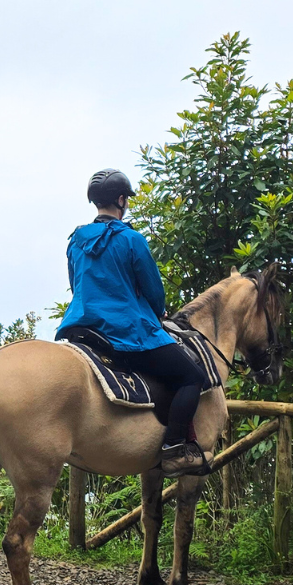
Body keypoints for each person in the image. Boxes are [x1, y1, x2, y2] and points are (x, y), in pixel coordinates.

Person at [56, 169, 211, 478]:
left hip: (81, 330)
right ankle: (175, 449)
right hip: (124, 332)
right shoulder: (131, 239)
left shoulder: (76, 242)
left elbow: (77, 287)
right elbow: (153, 290)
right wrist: (158, 312)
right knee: (191, 377)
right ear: (121, 200)